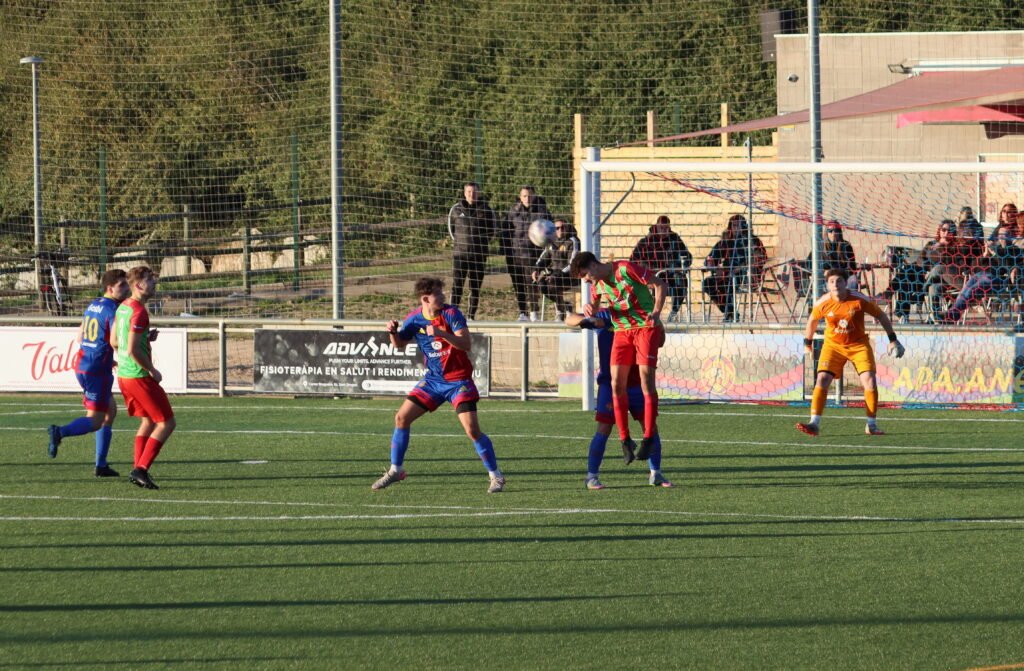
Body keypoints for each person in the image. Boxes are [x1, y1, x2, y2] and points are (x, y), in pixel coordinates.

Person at [372, 277, 505, 494]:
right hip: (433, 380)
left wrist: (441, 333)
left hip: (458, 380)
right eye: (438, 294)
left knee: (472, 430)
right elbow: (399, 345)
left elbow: (466, 344)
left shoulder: (451, 314)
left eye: (442, 292)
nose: (443, 296)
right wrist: (393, 332)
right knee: (401, 418)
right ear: (425, 298)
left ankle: (496, 476)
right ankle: (396, 470)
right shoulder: (414, 319)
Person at [570, 251, 667, 462]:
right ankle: (625, 440)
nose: (585, 280)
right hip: (622, 331)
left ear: (593, 265)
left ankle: (648, 438)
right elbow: (593, 308)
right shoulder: (597, 286)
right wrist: (590, 309)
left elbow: (660, 284)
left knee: (646, 380)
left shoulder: (625, 269)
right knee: (616, 384)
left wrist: (656, 313)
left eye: (585, 275)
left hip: (644, 327)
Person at [565, 310, 672, 488]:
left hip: (638, 384)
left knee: (651, 427)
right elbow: (569, 319)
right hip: (611, 385)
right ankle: (592, 476)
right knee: (604, 428)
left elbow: (659, 342)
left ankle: (656, 474)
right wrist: (590, 320)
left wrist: (658, 325)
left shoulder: (641, 315)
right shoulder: (606, 315)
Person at [796, 268, 905, 437]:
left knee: (869, 380)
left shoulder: (858, 299)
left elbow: (881, 316)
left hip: (858, 345)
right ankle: (814, 423)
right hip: (833, 346)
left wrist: (893, 339)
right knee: (822, 378)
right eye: (831, 282)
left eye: (839, 281)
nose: (835, 285)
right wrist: (807, 344)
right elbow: (812, 321)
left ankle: (871, 425)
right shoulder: (823, 302)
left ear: (846, 283)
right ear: (827, 285)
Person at [46, 269, 130, 476]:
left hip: (86, 363)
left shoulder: (93, 304)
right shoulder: (114, 310)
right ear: (110, 288)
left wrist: (105, 356)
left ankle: (101, 465)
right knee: (95, 420)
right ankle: (60, 432)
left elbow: (80, 336)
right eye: (122, 285)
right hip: (96, 370)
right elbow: (116, 340)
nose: (127, 288)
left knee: (110, 412)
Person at [112, 266, 175, 490]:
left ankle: (137, 468)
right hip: (138, 376)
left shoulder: (123, 307)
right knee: (166, 423)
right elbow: (132, 349)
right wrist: (151, 369)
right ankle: (141, 469)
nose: (154, 283)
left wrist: (145, 337)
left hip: (124, 376)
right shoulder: (138, 311)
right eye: (150, 280)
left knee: (148, 421)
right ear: (139, 285)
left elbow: (114, 341)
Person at [945, 220, 1024, 323]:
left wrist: (995, 254)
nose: (1002, 237)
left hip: (998, 280)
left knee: (974, 288)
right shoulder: (995, 248)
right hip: (981, 275)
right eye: (1000, 235)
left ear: (1011, 236)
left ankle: (954, 313)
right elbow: (974, 268)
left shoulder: (1015, 251)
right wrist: (985, 255)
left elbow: (1009, 268)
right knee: (966, 289)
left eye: (1005, 235)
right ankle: (953, 312)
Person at [702, 214, 767, 322]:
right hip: (727, 275)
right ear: (730, 227)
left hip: (747, 277)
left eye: (739, 225)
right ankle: (730, 311)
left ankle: (730, 314)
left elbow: (761, 259)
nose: (737, 228)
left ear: (744, 227)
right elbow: (711, 259)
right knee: (707, 283)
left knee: (731, 280)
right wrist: (712, 264)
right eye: (734, 226)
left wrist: (740, 268)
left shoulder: (753, 241)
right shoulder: (725, 242)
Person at [447, 182, 496, 320]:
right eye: (469, 191)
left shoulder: (486, 210)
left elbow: (492, 231)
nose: (471, 194)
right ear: (464, 193)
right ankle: (452, 316)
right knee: (457, 286)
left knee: (475, 287)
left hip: (478, 255)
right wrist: (460, 244)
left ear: (478, 193)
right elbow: (451, 230)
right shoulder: (456, 209)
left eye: (474, 191)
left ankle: (470, 317)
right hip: (460, 255)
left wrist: (480, 245)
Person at [630, 215, 693, 322]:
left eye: (666, 228)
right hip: (653, 276)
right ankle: (652, 314)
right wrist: (645, 269)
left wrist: (682, 264)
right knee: (650, 284)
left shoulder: (675, 240)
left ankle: (674, 312)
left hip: (671, 276)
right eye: (661, 228)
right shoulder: (646, 242)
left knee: (682, 280)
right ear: (656, 226)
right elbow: (633, 261)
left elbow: (687, 256)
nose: (664, 230)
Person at [504, 185, 552, 322]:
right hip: (515, 254)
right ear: (520, 197)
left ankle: (534, 313)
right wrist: (506, 250)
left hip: (533, 254)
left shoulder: (542, 211)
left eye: (530, 195)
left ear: (534, 196)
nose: (527, 198)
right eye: (524, 196)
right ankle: (522, 313)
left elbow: (550, 230)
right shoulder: (513, 211)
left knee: (532, 283)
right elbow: (506, 231)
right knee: (518, 284)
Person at [531, 219, 580, 321]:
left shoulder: (573, 241)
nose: (560, 230)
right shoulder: (551, 242)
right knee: (540, 284)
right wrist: (536, 269)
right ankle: (565, 306)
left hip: (570, 276)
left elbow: (572, 264)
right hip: (555, 275)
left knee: (552, 282)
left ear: (567, 228)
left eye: (563, 227)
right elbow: (543, 259)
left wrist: (556, 274)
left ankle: (560, 313)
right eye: (557, 228)